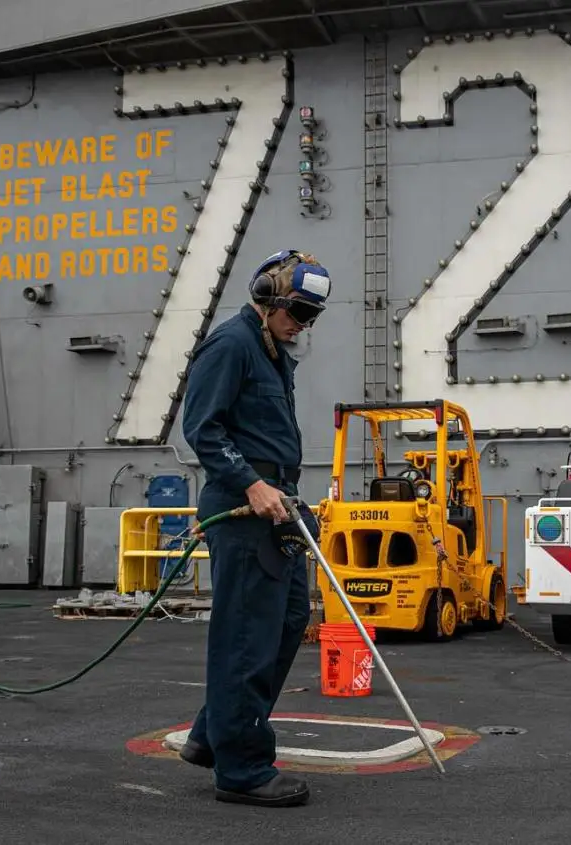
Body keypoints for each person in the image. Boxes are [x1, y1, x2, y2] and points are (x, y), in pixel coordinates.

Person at [176, 248, 330, 808]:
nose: (302, 324)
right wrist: (249, 483)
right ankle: (241, 767)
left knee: (288, 620)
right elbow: (202, 427)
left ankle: (208, 736)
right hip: (244, 509)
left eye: (311, 316)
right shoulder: (232, 344)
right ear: (266, 296)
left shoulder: (272, 351)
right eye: (297, 312)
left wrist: (282, 493)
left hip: (276, 506)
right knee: (247, 633)